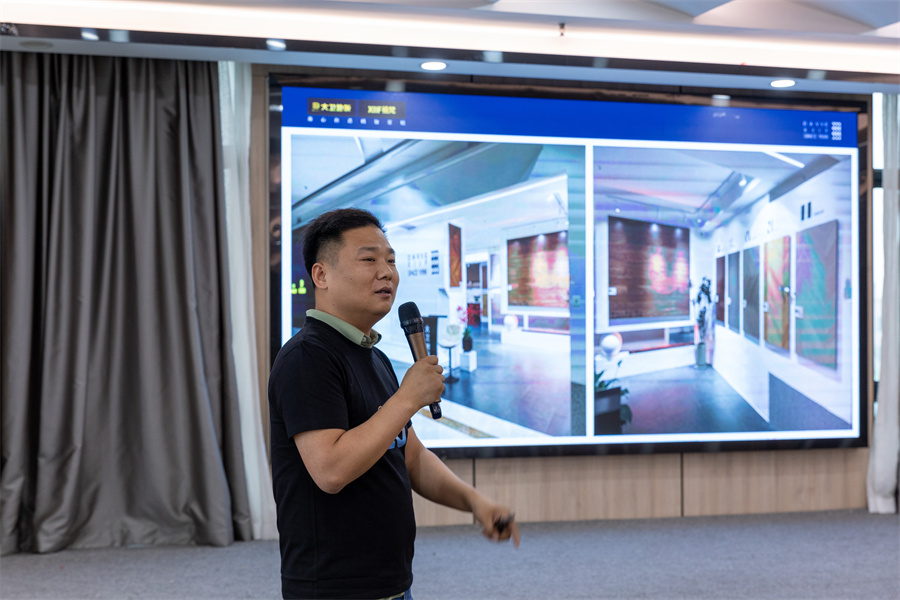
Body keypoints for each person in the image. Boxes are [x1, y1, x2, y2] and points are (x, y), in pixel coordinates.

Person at [268, 208, 520, 600]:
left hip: (391, 583)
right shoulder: (308, 357)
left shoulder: (375, 357)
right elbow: (330, 470)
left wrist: (475, 502)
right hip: (334, 588)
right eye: (369, 259)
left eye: (391, 261)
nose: (386, 272)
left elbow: (412, 457)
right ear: (321, 275)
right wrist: (406, 398)